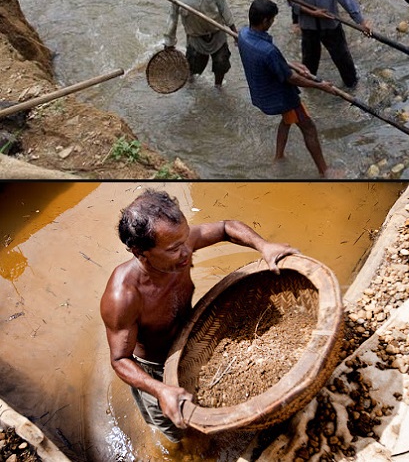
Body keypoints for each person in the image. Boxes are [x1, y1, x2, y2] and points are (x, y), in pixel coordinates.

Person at [100, 189, 299, 442]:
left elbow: (227, 227)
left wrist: (263, 245)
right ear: (140, 252)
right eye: (173, 249)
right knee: (174, 428)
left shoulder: (181, 243)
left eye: (186, 239)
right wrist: (160, 389)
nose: (186, 251)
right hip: (156, 368)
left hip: (194, 340)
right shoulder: (123, 296)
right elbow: (119, 359)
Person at [238, 0, 340, 178]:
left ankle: (279, 157)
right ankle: (325, 171)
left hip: (262, 95)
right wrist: (321, 85)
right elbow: (291, 78)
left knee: (286, 121)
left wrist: (289, 63)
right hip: (283, 97)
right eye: (272, 20)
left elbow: (272, 61)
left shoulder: (243, 35)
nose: (272, 23)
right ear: (265, 21)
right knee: (308, 127)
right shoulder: (268, 52)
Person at [284, 0, 371, 86]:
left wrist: (360, 21)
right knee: (309, 62)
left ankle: (352, 86)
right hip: (308, 26)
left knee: (343, 59)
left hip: (330, 24)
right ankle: (311, 91)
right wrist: (312, 12)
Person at [164, 0, 237, 87]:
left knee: (221, 64)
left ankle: (218, 87)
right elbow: (172, 18)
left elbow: (224, 8)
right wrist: (169, 42)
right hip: (196, 37)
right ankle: (190, 88)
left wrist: (235, 33)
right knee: (193, 67)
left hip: (217, 34)